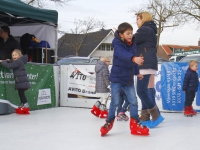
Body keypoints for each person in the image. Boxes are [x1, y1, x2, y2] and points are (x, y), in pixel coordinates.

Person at [100, 22, 149, 136]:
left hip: (128, 79)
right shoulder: (117, 43)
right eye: (128, 33)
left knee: (133, 101)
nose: (130, 35)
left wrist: (137, 73)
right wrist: (133, 58)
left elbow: (134, 61)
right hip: (117, 78)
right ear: (121, 34)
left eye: (131, 33)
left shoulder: (133, 44)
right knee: (115, 102)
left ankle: (135, 123)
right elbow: (122, 54)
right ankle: (109, 122)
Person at [134, 12, 164, 128]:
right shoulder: (150, 29)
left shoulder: (144, 30)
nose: (136, 21)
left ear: (144, 19)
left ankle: (155, 115)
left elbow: (131, 41)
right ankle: (145, 117)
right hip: (148, 63)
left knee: (141, 91)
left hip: (144, 63)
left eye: (138, 19)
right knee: (144, 90)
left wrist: (120, 35)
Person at [0, 49, 31, 114]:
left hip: (22, 81)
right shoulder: (18, 61)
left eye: (16, 55)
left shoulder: (19, 62)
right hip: (20, 81)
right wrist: (9, 60)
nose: (14, 56)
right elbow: (13, 62)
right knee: (20, 93)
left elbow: (10, 66)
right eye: (13, 55)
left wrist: (2, 62)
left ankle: (25, 104)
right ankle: (23, 104)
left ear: (19, 55)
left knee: (21, 93)